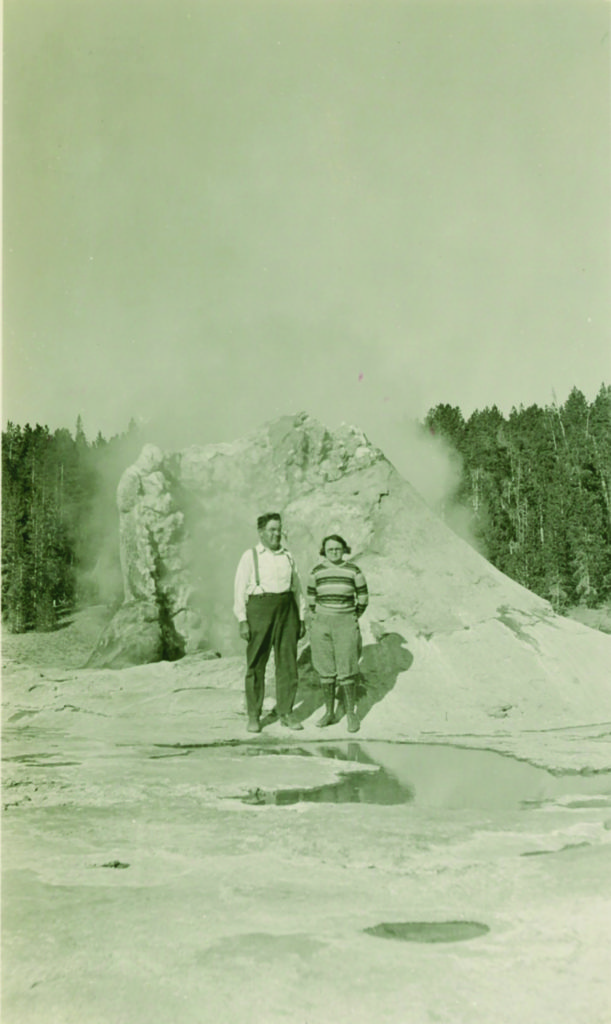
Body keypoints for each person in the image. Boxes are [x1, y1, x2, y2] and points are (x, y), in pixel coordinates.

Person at [234, 513, 306, 733]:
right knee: (256, 664)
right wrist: (242, 620)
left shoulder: (288, 556)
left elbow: (297, 589)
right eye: (272, 530)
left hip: (287, 610)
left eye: (278, 529)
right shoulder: (250, 556)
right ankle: (254, 715)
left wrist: (301, 618)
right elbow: (239, 590)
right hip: (259, 609)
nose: (276, 534)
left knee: (288, 664)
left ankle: (286, 712)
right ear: (261, 532)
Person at [306, 534, 369, 733]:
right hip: (322, 624)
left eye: (338, 549)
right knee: (326, 668)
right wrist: (322, 617)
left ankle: (351, 714)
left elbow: (363, 598)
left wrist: (350, 616)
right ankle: (329, 713)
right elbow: (311, 599)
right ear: (324, 551)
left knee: (347, 667)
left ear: (344, 550)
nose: (334, 552)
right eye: (330, 549)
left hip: (346, 622)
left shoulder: (354, 570)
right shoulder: (316, 572)